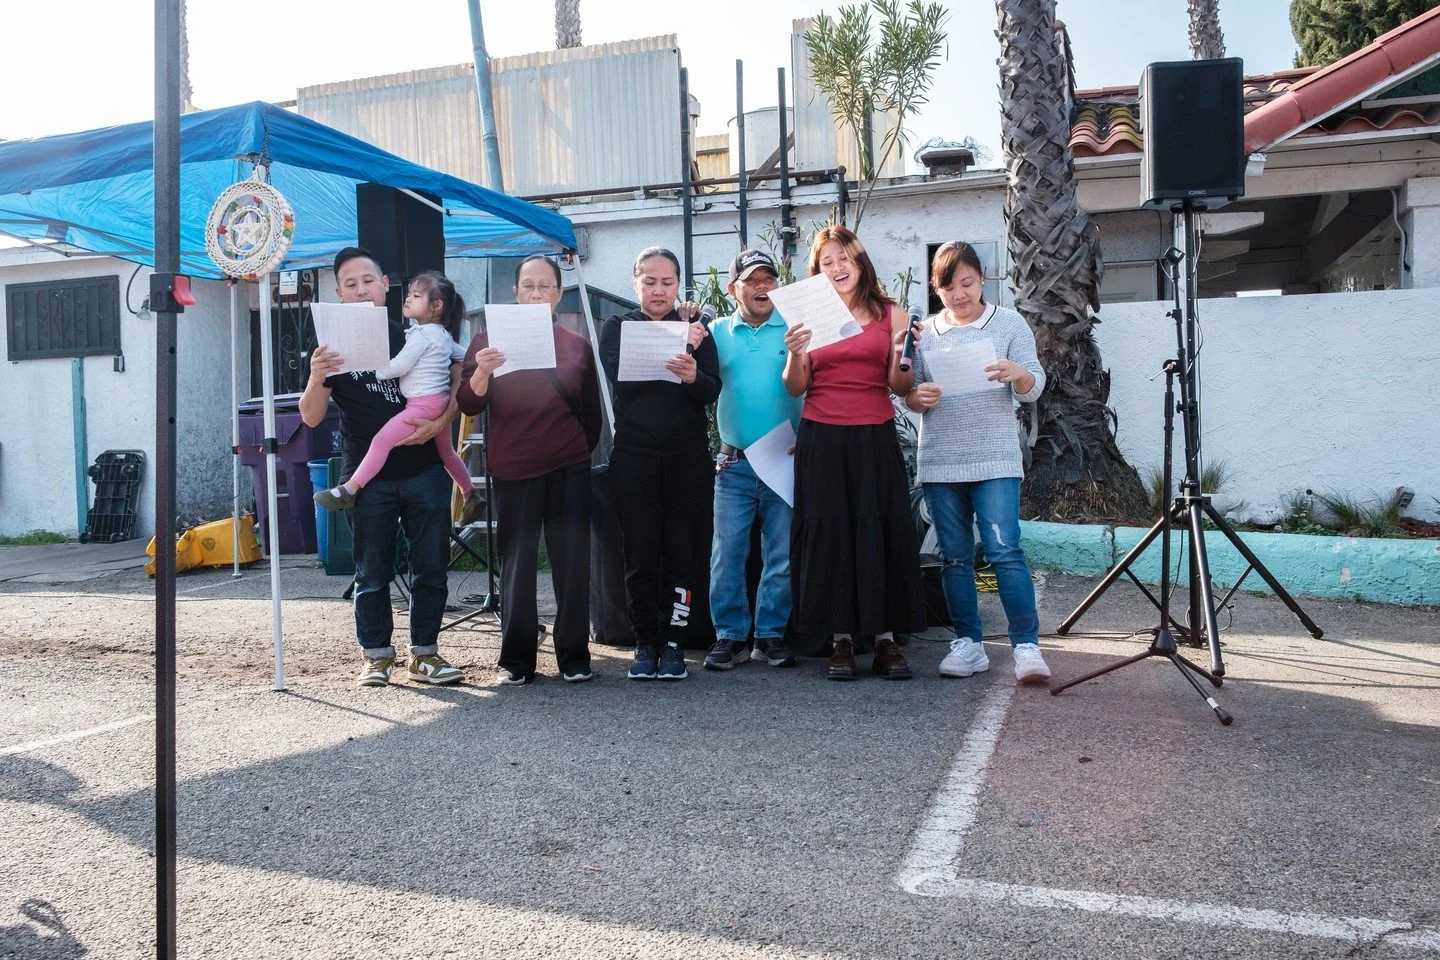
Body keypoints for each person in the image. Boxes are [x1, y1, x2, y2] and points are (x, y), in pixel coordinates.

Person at [300, 247, 465, 687]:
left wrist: (440, 424)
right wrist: (317, 377)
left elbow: (458, 385)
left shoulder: (417, 333)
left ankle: (425, 654)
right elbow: (311, 417)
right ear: (338, 293)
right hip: (365, 476)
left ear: (384, 286)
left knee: (431, 565)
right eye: (350, 285)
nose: (360, 291)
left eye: (368, 281)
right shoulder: (330, 349)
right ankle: (376, 655)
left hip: (425, 468)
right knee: (371, 568)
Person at [782, 225, 925, 681]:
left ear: (860, 261)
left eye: (845, 258)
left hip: (874, 435)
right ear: (817, 270)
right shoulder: (807, 314)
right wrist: (793, 353)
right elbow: (796, 386)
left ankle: (884, 640)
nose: (838, 267)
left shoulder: (891, 314)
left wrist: (906, 355)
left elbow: (899, 387)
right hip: (821, 436)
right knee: (831, 536)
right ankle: (840, 639)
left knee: (878, 531)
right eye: (827, 261)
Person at [903, 240, 1050, 683]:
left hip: (996, 458)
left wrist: (1018, 374)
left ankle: (1026, 645)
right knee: (953, 558)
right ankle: (968, 643)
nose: (959, 294)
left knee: (1005, 551)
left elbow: (1035, 384)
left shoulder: (1008, 323)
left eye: (966, 283)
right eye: (948, 287)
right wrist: (915, 396)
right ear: (936, 288)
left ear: (981, 278)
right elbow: (911, 393)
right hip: (942, 458)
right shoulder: (924, 333)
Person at [457, 255, 601, 685]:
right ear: (514, 293)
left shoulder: (577, 345)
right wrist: (482, 370)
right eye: (528, 287)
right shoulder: (486, 340)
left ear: (558, 294)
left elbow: (593, 415)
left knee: (572, 564)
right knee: (517, 567)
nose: (536, 294)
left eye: (545, 287)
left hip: (568, 466)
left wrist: (576, 451)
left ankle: (574, 656)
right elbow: (468, 404)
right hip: (514, 467)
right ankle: (516, 661)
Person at [599, 247, 719, 681]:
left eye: (667, 282)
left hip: (687, 458)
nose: (659, 290)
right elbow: (623, 373)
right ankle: (645, 640)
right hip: (635, 457)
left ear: (678, 285)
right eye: (650, 281)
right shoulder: (618, 326)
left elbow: (710, 391)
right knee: (641, 553)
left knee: (681, 553)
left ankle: (674, 642)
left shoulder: (699, 326)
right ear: (636, 283)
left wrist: (691, 373)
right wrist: (680, 342)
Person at [703, 249, 802, 671]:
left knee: (781, 553)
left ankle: (769, 635)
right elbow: (699, 382)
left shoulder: (796, 330)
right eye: (752, 280)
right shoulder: (715, 332)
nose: (763, 287)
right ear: (733, 289)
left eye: (769, 279)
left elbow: (814, 388)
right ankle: (730, 636)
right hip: (735, 463)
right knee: (727, 552)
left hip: (785, 459)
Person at [313, 270, 474, 512]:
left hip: (421, 406)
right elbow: (467, 358)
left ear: (436, 306)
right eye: (410, 294)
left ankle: (350, 489)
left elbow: (400, 366)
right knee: (447, 452)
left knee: (380, 441)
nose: (408, 299)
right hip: (438, 402)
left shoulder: (421, 337)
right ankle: (470, 492)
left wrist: (378, 369)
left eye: (416, 296)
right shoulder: (442, 335)